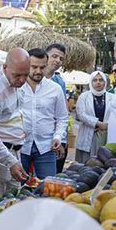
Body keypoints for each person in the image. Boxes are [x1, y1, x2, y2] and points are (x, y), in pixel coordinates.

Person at [0, 48, 30, 206]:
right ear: (5, 67)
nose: (22, 80)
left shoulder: (16, 83)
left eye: (25, 74)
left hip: (14, 152)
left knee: (12, 200)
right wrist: (10, 161)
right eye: (17, 75)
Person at [19, 48, 68, 178]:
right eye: (34, 67)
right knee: (17, 189)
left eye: (42, 67)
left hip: (46, 147)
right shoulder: (17, 87)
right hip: (20, 147)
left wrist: (58, 137)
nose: (38, 71)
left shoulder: (55, 89)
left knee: (47, 187)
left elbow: (62, 118)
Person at [75, 71, 114, 163]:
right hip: (88, 134)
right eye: (95, 80)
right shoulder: (84, 96)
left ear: (105, 82)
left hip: (105, 134)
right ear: (91, 83)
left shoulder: (112, 97)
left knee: (104, 160)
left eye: (101, 80)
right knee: (86, 163)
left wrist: (108, 125)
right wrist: (98, 123)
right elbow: (81, 114)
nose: (98, 82)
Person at [43, 43, 69, 173]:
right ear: (45, 56)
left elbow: (62, 114)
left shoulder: (60, 83)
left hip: (53, 139)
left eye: (61, 59)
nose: (58, 61)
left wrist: (62, 139)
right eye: (54, 56)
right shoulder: (30, 77)